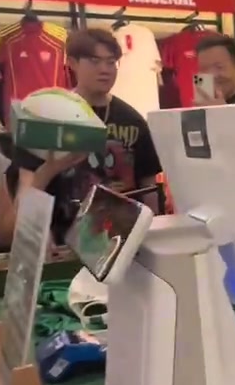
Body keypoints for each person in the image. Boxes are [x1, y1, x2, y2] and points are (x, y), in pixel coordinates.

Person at [16, 28, 161, 243]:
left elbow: (149, 189)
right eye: (94, 61)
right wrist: (40, 236)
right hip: (62, 241)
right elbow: (27, 188)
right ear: (72, 63)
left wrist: (152, 237)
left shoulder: (133, 121)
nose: (105, 69)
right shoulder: (47, 117)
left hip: (123, 242)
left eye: (111, 62)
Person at [195, 34, 235, 103]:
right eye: (204, 69)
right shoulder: (201, 106)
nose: (212, 75)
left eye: (219, 67)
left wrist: (221, 109)